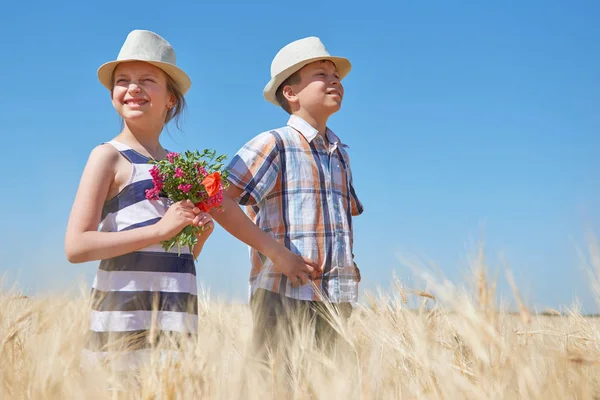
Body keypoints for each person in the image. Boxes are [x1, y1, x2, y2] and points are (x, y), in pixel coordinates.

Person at [206, 36, 363, 357]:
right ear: (290, 93)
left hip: (335, 297)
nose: (334, 80)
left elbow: (338, 220)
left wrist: (349, 265)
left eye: (336, 75)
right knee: (276, 383)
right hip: (283, 292)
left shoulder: (340, 153)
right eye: (321, 74)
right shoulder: (274, 143)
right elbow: (218, 200)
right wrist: (278, 254)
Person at [65, 30, 213, 367]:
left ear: (170, 99)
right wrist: (160, 230)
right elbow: (76, 246)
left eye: (147, 80)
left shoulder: (181, 169)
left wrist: (197, 236)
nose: (133, 88)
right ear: (113, 95)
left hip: (176, 326)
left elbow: (174, 255)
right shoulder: (108, 157)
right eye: (123, 80)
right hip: (123, 329)